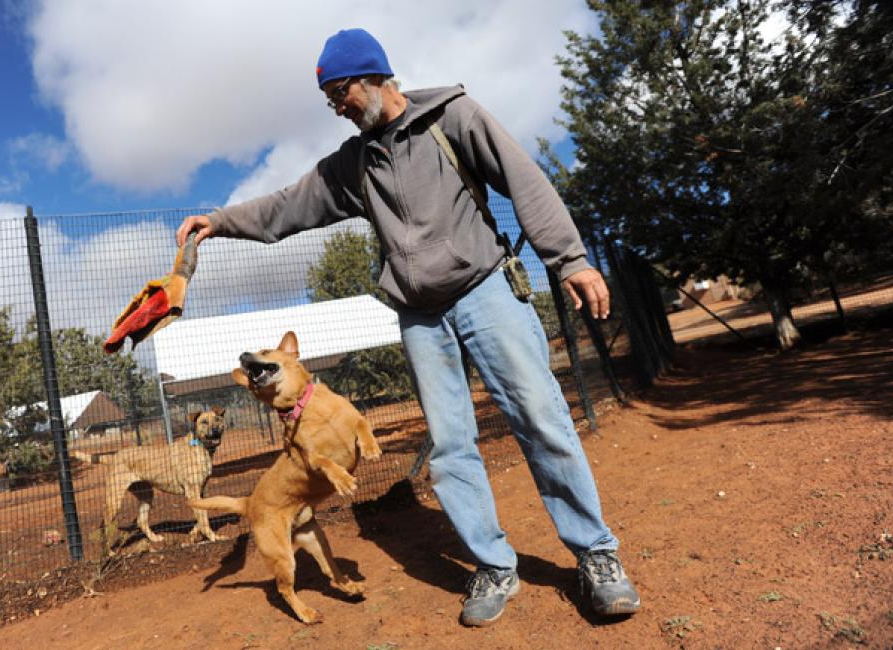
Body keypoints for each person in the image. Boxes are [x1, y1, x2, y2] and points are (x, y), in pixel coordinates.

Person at [176, 28, 640, 627]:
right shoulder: (352, 164)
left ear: (372, 77)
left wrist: (568, 258)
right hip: (421, 316)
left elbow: (524, 178)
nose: (335, 106)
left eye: (338, 92)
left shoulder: (452, 116)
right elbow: (285, 207)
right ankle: (494, 566)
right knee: (450, 447)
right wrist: (219, 221)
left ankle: (596, 555)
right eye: (328, 99)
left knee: (541, 419)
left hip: (486, 289)